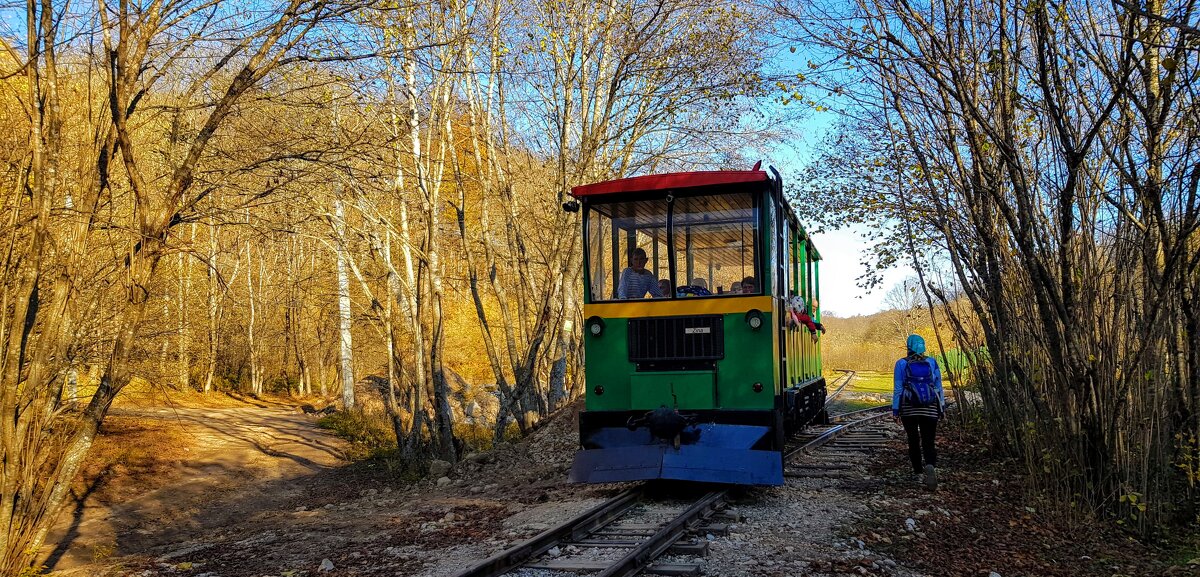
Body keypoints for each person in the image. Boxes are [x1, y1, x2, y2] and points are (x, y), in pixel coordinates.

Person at [892, 334, 946, 490]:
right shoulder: (931, 362)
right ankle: (930, 465)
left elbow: (898, 389)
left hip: (909, 408)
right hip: (930, 407)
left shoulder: (901, 364)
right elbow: (938, 387)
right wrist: (941, 407)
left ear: (908, 347)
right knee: (929, 440)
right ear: (923, 347)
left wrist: (896, 410)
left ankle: (918, 471)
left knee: (913, 439)